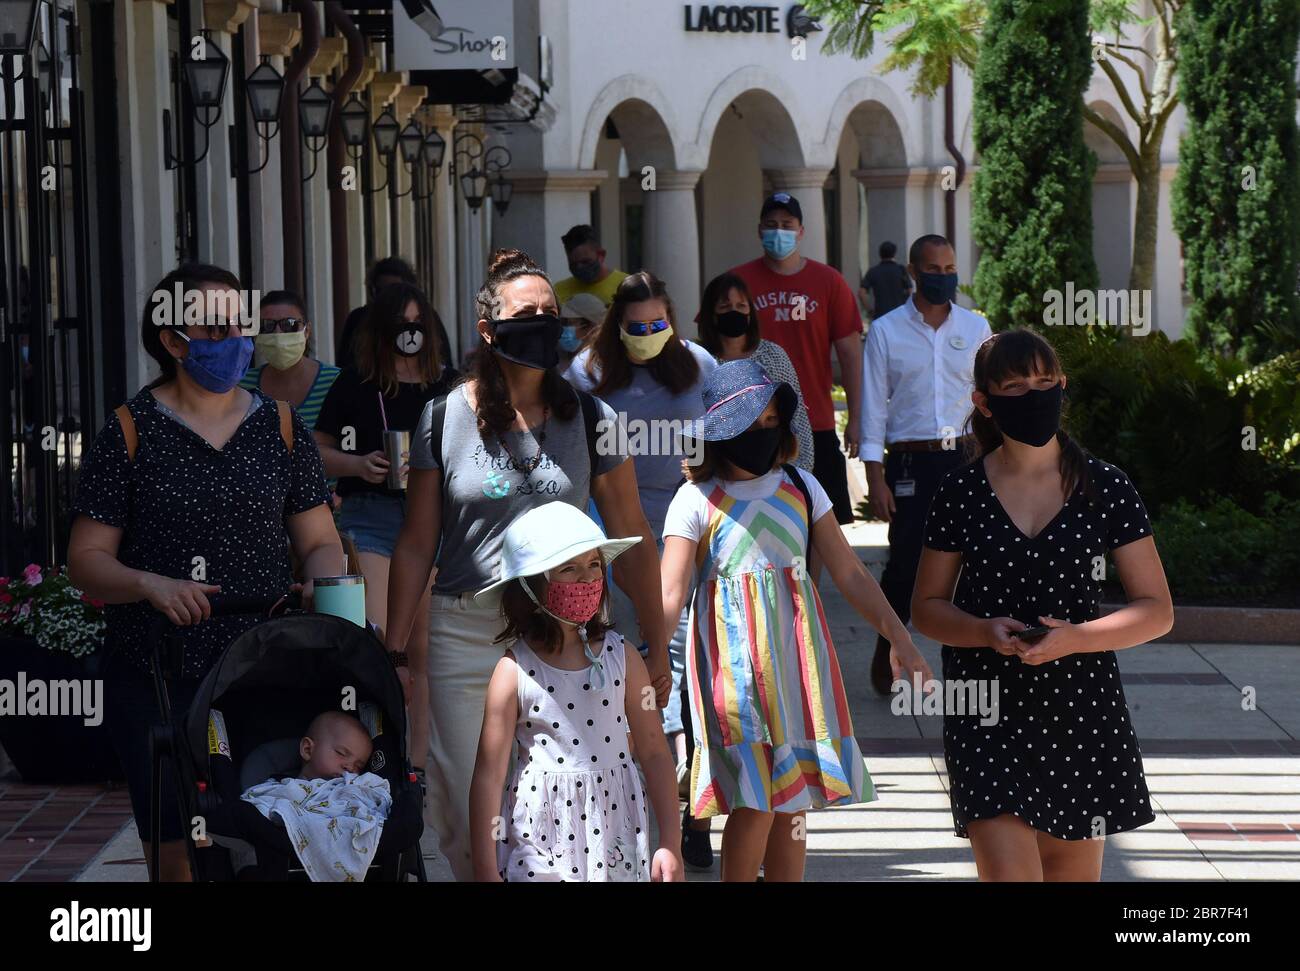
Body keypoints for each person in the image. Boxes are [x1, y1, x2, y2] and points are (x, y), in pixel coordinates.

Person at [385, 248, 670, 882]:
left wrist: (657, 642)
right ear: (488, 330)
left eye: (550, 312)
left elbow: (633, 534)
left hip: (565, 628)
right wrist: (396, 650)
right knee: (467, 804)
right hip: (467, 628)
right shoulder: (442, 418)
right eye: (526, 313)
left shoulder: (596, 420)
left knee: (563, 797)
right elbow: (415, 542)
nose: (542, 321)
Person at [66, 262, 342, 882]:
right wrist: (150, 584)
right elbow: (85, 562)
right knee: (177, 850)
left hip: (263, 667)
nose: (235, 342)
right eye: (213, 330)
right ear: (172, 340)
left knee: (265, 839)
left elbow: (320, 540)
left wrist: (326, 587)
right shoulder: (130, 431)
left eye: (238, 327)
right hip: (158, 671)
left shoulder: (279, 425)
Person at [911, 328, 1172, 881]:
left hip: (1081, 707)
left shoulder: (1107, 487)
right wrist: (983, 631)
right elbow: (928, 607)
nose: (1034, 395)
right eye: (1015, 386)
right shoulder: (960, 493)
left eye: (1045, 382)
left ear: (1062, 387)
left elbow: (1156, 609)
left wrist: (1076, 637)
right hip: (984, 706)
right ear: (984, 402)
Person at [660, 359, 931, 881]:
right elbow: (670, 591)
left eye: (769, 420)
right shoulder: (694, 500)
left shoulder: (803, 487)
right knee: (755, 799)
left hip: (800, 671)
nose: (763, 432)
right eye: (748, 423)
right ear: (720, 433)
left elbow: (851, 573)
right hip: (732, 674)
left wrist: (901, 639)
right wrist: (647, 658)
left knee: (793, 802)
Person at [563, 270, 716, 868]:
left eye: (659, 324)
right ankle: (633, 805)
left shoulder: (699, 367)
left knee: (683, 672)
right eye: (636, 328)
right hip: (616, 547)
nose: (649, 335)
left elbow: (728, 440)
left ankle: (690, 808)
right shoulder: (587, 374)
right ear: (615, 328)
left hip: (689, 538)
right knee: (629, 677)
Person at [468, 503, 684, 882]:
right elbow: (488, 775)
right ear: (530, 586)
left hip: (615, 832)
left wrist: (670, 842)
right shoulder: (513, 671)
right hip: (537, 837)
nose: (586, 580)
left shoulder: (624, 657)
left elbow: (652, 749)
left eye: (594, 565)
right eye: (568, 568)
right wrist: (485, 869)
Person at [314, 282, 455, 779]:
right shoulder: (355, 384)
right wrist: (356, 464)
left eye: (418, 324)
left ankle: (413, 766)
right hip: (371, 514)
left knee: (423, 649)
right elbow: (315, 448)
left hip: (433, 520)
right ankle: (373, 749)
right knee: (376, 641)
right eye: (400, 325)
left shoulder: (449, 386)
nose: (409, 335)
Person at [860, 233, 991, 697]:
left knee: (976, 561)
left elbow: (991, 399)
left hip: (967, 456)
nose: (943, 278)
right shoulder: (886, 331)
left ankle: (968, 660)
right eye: (933, 270)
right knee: (905, 565)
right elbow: (873, 409)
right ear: (913, 273)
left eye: (949, 268)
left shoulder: (977, 329)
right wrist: (876, 478)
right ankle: (889, 646)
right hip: (911, 463)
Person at [728, 192, 862, 526]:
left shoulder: (829, 281)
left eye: (787, 225)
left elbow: (850, 355)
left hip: (814, 423)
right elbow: (716, 348)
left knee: (821, 524)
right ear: (759, 230)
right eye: (771, 224)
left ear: (801, 231)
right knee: (754, 520)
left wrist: (857, 418)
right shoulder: (737, 283)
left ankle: (811, 582)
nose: (779, 232)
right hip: (752, 425)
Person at [697, 271, 813, 473]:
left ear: (750, 313)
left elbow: (797, 419)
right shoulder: (699, 359)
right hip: (719, 473)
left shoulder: (773, 355)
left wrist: (800, 471)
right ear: (711, 314)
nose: (734, 312)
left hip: (774, 471)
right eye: (725, 307)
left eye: (741, 306)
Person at [240, 289, 340, 430]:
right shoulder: (242, 385)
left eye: (289, 325)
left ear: (307, 331)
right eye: (267, 326)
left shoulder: (337, 382)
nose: (278, 334)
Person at [336, 256, 453, 371]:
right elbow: (345, 362)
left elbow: (443, 358)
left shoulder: (427, 316)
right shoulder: (358, 318)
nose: (389, 299)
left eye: (396, 290)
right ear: (373, 291)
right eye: (383, 291)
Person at [553, 224, 627, 307]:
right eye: (573, 264)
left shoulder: (626, 287)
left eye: (585, 261)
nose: (579, 267)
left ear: (601, 255)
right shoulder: (558, 291)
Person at [296, 711, 373, 779]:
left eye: (358, 767)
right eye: (341, 753)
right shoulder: (287, 791)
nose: (350, 768)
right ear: (307, 750)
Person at [859, 240, 912, 320]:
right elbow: (910, 291)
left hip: (881, 316)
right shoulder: (901, 270)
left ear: (880, 254)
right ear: (894, 254)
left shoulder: (873, 271)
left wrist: (870, 310)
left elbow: (861, 293)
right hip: (899, 315)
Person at [558, 292, 605, 369]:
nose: (563, 328)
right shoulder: (553, 355)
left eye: (570, 323)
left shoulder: (601, 366)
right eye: (563, 322)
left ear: (592, 327)